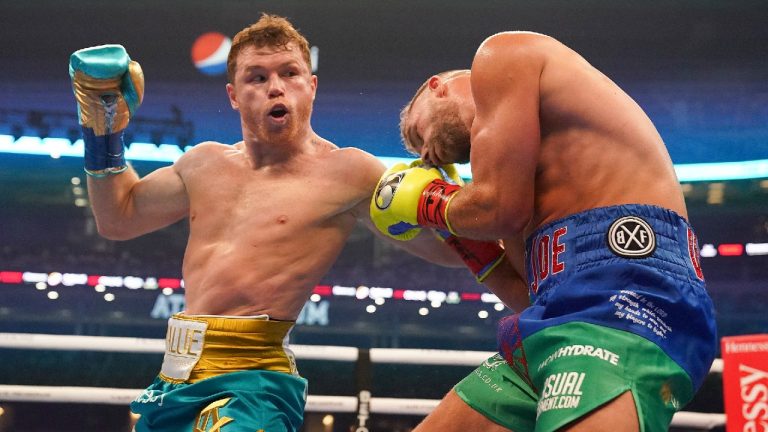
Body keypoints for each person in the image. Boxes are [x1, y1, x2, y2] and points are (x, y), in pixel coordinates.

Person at [68, 14, 507, 432]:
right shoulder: (202, 163)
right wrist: (103, 131)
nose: (276, 87)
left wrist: (443, 197)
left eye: (290, 73)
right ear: (234, 95)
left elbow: (449, 252)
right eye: (257, 77)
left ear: (311, 86)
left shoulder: (351, 173)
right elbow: (119, 218)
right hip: (174, 376)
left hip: (250, 382)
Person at [370, 31, 717, 431]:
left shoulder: (503, 56)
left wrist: (427, 201)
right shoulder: (515, 185)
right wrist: (460, 235)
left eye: (417, 134)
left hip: (629, 302)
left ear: (437, 88)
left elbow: (499, 209)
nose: (426, 157)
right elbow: (530, 296)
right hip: (555, 320)